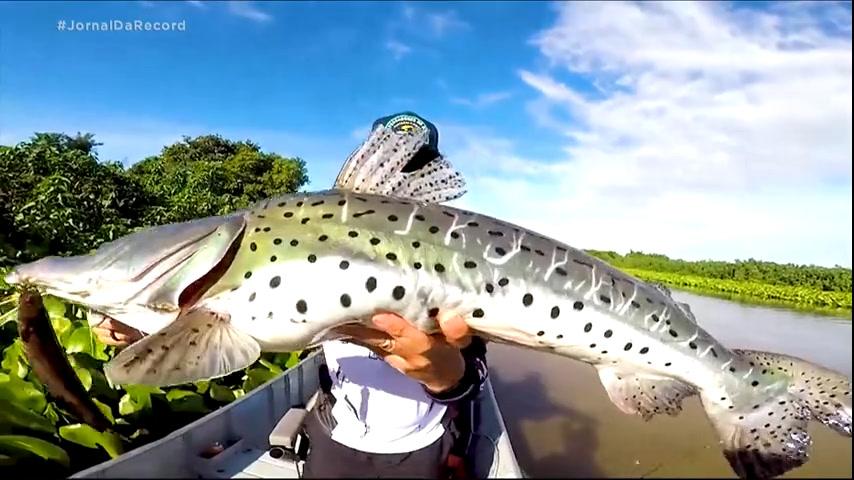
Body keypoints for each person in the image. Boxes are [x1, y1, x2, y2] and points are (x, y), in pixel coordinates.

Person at [93, 112, 488, 479]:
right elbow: (244, 320)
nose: (397, 187)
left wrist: (444, 377)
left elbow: (474, 377)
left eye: (416, 169)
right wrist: (145, 327)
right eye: (391, 167)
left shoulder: (463, 267)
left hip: (422, 444)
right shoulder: (309, 244)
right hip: (337, 437)